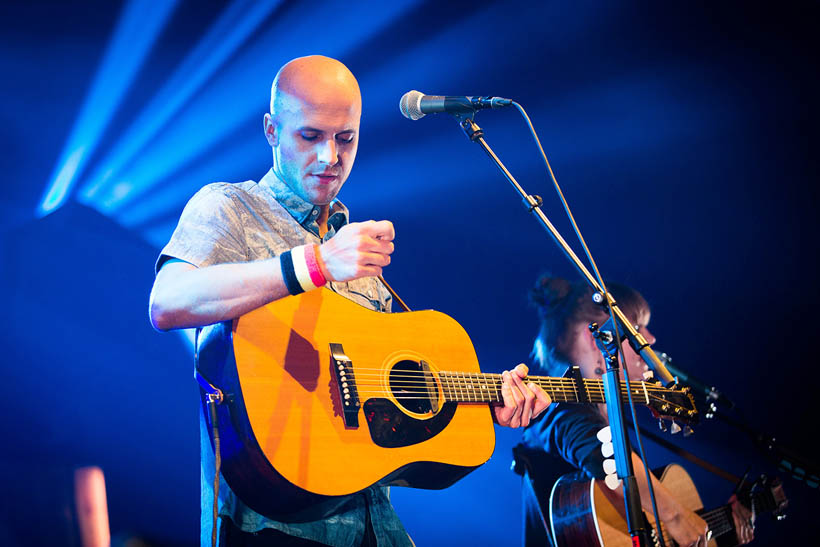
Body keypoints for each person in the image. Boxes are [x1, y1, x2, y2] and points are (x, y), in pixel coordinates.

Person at [149, 55, 551, 546]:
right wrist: (314, 264)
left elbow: (386, 403)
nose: (329, 158)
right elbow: (167, 302)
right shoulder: (231, 207)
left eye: (346, 139)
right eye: (310, 136)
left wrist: (489, 404)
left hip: (373, 525)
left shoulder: (355, 245)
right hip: (269, 524)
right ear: (272, 131)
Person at [514, 275, 755, 547]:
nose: (650, 339)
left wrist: (720, 528)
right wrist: (675, 516)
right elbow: (600, 454)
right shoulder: (557, 406)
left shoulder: (604, 414)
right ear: (596, 338)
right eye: (636, 327)